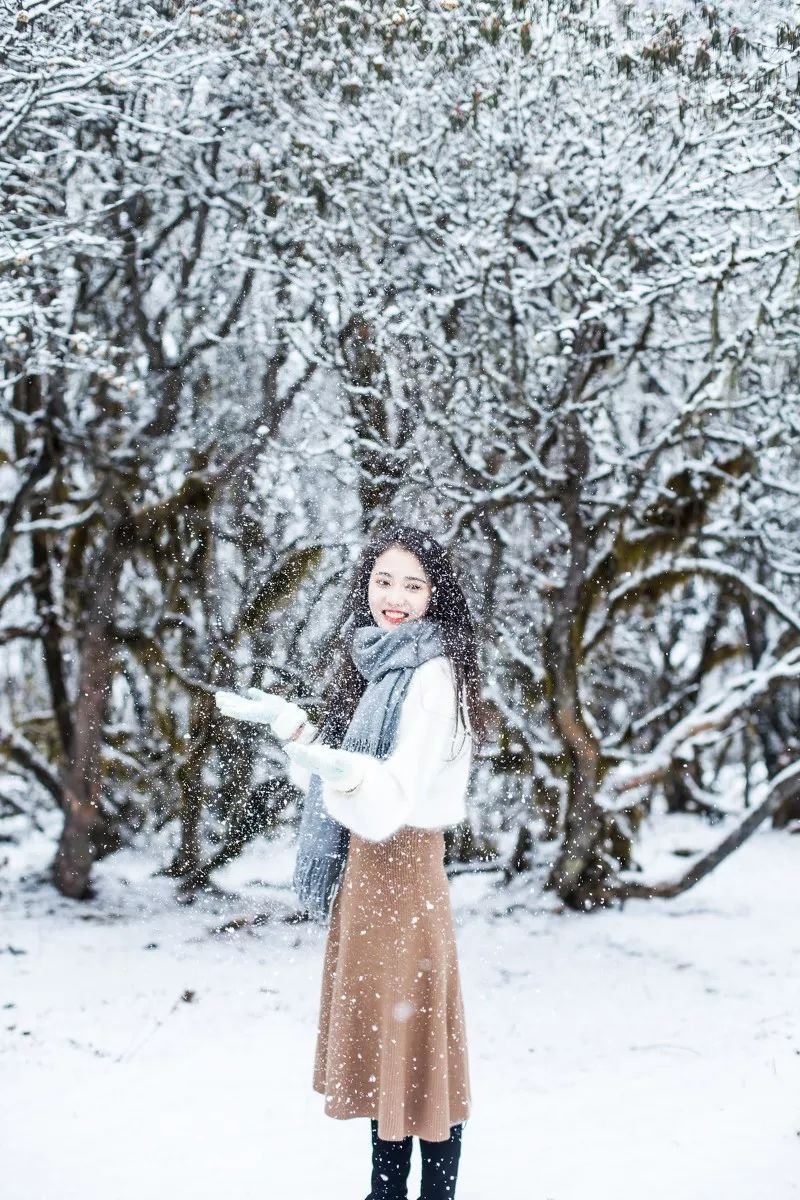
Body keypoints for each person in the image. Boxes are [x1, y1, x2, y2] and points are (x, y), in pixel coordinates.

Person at [215, 525, 481, 1200]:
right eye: (383, 581)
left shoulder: (431, 677)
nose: (394, 597)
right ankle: (385, 1193)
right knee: (391, 1056)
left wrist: (327, 763)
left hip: (406, 870)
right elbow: (356, 770)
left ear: (434, 596)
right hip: (369, 877)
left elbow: (387, 799)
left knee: (419, 1051)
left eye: (412, 584)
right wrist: (300, 734)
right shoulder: (382, 666)